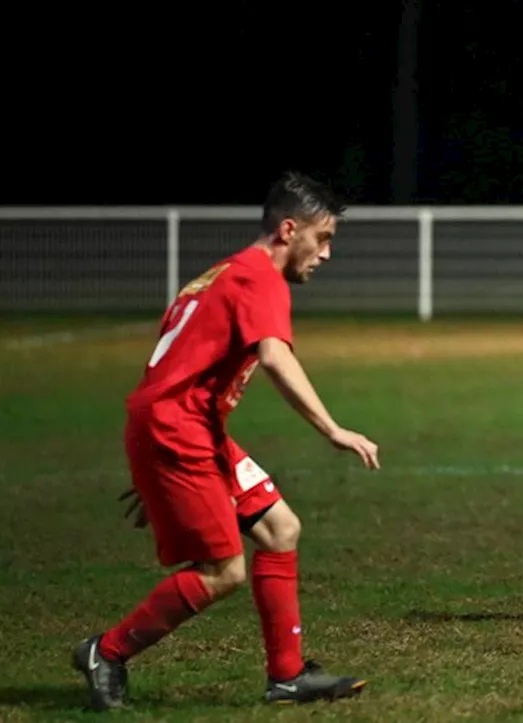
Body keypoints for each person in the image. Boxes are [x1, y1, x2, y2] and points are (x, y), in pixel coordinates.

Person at [72, 172, 381, 710]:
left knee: (281, 528)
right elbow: (274, 355)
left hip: (185, 427)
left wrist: (152, 465)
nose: (326, 253)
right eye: (323, 237)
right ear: (289, 230)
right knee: (223, 572)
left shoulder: (223, 273)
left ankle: (287, 676)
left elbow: (174, 363)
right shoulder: (259, 277)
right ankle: (107, 651)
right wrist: (332, 429)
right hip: (179, 429)